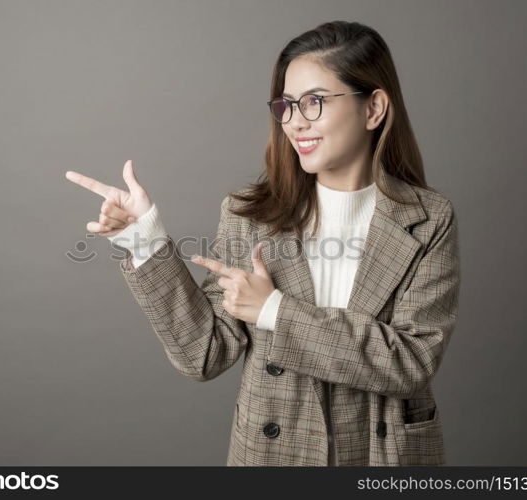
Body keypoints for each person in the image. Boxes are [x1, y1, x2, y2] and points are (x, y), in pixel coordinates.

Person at [65, 20, 460, 466]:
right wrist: (143, 241)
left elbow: (410, 362)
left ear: (373, 109)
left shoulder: (428, 219)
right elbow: (203, 355)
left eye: (314, 103)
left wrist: (274, 311)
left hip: (382, 455)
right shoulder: (249, 216)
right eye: (287, 105)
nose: (295, 122)